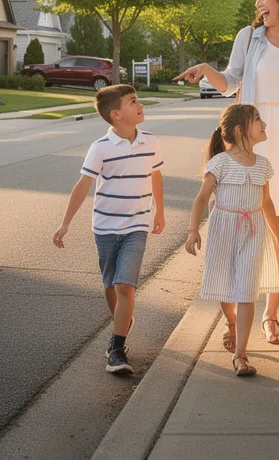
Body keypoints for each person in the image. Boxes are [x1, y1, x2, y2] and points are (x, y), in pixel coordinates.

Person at [176, 0, 279, 345]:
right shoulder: (249, 37)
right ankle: (237, 311)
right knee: (244, 226)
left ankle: (270, 315)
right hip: (253, 140)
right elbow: (230, 82)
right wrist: (206, 70)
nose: (259, 3)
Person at [52, 85, 166, 376]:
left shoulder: (151, 142)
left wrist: (159, 212)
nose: (140, 105)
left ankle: (117, 347)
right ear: (116, 115)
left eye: (138, 100)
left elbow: (156, 176)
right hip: (104, 226)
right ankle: (121, 321)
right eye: (133, 102)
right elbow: (83, 186)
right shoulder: (100, 147)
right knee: (110, 284)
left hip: (136, 224)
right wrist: (65, 223)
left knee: (125, 284)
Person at [185, 103, 279, 377]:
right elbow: (202, 198)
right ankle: (230, 321)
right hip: (224, 228)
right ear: (241, 129)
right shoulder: (220, 162)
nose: (264, 123)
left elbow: (266, 202)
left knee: (246, 290)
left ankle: (241, 355)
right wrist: (193, 230)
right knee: (225, 284)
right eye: (258, 120)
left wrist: (278, 236)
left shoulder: (263, 165)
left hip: (253, 231)